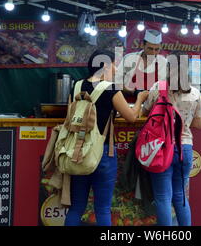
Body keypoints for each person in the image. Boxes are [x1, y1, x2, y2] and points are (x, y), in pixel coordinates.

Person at [64, 49, 149, 226]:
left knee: (76, 207)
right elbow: (132, 117)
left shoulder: (77, 85)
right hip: (102, 153)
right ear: (104, 66)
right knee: (102, 209)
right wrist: (140, 99)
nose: (116, 70)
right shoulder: (111, 89)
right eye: (114, 65)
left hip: (77, 150)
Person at [141, 52, 201, 226]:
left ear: (169, 68)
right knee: (180, 196)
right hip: (185, 148)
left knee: (163, 197)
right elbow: (198, 124)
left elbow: (145, 112)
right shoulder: (196, 93)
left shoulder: (159, 88)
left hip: (162, 148)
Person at [116, 29, 167, 96]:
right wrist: (129, 90)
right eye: (150, 48)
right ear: (143, 45)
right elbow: (116, 82)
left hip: (152, 104)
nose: (153, 53)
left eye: (157, 49)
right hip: (127, 102)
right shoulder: (129, 59)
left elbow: (164, 87)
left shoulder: (163, 62)